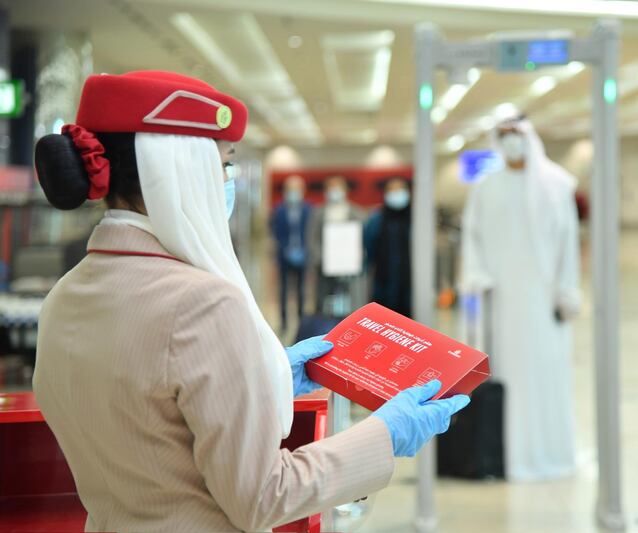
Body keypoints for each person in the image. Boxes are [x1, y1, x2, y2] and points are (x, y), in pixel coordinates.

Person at [31, 70, 469, 532]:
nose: (227, 181)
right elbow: (264, 497)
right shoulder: (203, 304)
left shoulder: (63, 297)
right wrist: (384, 433)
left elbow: (152, 419)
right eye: (224, 165)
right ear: (185, 171)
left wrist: (266, 377)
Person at [461, 114, 582, 482]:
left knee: (546, 379)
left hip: (545, 308)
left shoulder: (558, 184)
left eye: (517, 133)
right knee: (506, 381)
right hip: (501, 308)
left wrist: (566, 291)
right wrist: (477, 284)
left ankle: (550, 455)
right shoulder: (484, 189)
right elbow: (472, 242)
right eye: (504, 135)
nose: (511, 141)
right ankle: (505, 459)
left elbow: (569, 246)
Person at [308, 176, 365, 314]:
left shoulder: (357, 212)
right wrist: (319, 258)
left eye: (338, 188)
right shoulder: (318, 213)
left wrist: (358, 257)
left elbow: (363, 239)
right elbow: (312, 238)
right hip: (325, 266)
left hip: (350, 268)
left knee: (350, 301)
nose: (334, 192)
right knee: (325, 302)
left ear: (345, 190)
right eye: (331, 188)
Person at [364, 178, 413, 317]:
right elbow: (369, 247)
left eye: (400, 189)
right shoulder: (377, 219)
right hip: (383, 279)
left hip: (410, 281)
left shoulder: (415, 218)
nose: (396, 194)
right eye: (392, 190)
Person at [271, 175, 312, 332]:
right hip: (284, 255)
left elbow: (310, 231)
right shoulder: (279, 209)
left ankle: (301, 322)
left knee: (301, 290)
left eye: (297, 189)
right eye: (291, 189)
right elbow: (275, 231)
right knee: (284, 290)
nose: (294, 192)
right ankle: (283, 323)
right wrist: (285, 248)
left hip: (303, 253)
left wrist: (305, 250)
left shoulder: (309, 209)